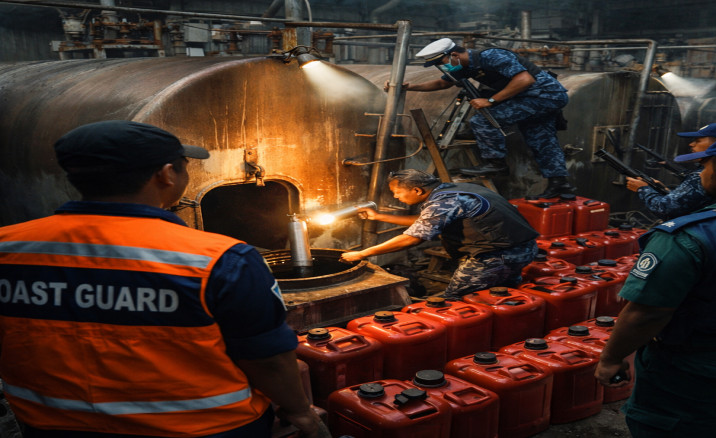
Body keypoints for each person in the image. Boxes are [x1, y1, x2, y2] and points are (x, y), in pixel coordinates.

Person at [0, 120, 330, 438]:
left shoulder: (9, 246)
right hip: (204, 429)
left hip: (52, 426)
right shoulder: (220, 259)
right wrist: (299, 410)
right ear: (166, 174)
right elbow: (269, 360)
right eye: (184, 165)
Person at [595, 130, 716, 437]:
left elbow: (647, 313)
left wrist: (611, 358)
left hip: (696, 367)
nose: (701, 174)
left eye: (705, 167)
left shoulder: (691, 235)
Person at [395, 37, 572, 198]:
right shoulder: (463, 67)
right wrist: (409, 87)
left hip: (545, 96)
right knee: (542, 141)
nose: (441, 67)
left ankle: (496, 163)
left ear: (454, 55)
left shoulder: (492, 56)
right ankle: (560, 185)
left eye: (440, 63)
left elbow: (525, 79)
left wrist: (490, 100)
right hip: (533, 99)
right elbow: (443, 83)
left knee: (483, 120)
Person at [339, 169, 539, 300]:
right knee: (503, 293)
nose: (395, 197)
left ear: (417, 190)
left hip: (497, 256)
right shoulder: (454, 190)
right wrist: (379, 217)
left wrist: (361, 254)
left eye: (397, 192)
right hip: (523, 248)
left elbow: (412, 238)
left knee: (453, 301)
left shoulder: (444, 202)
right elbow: (428, 221)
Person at [626, 122, 716, 220]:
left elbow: (664, 209)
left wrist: (642, 189)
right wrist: (667, 191)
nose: (691, 144)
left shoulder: (704, 177)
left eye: (698, 140)